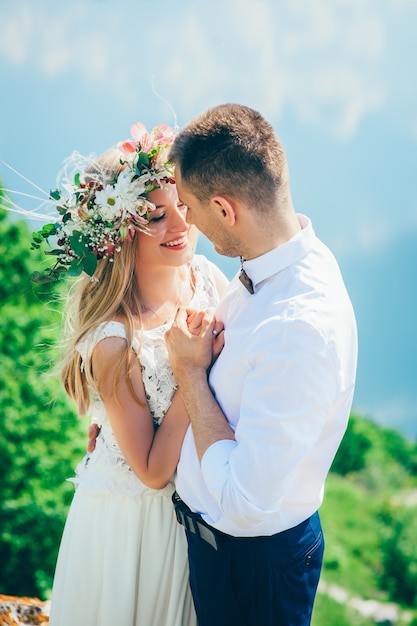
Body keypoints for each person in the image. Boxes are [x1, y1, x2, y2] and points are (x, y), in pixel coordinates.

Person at [163, 103, 358, 626]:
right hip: (226, 556)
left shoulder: (300, 327)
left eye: (189, 207)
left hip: (253, 570)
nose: (186, 221)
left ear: (224, 210)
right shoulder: (285, 254)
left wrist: (187, 374)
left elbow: (245, 500)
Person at [31, 122, 228, 626]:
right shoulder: (116, 340)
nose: (181, 226)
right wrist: (192, 374)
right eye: (157, 217)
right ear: (118, 234)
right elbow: (152, 471)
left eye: (183, 206)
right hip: (136, 525)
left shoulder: (205, 279)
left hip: (197, 510)